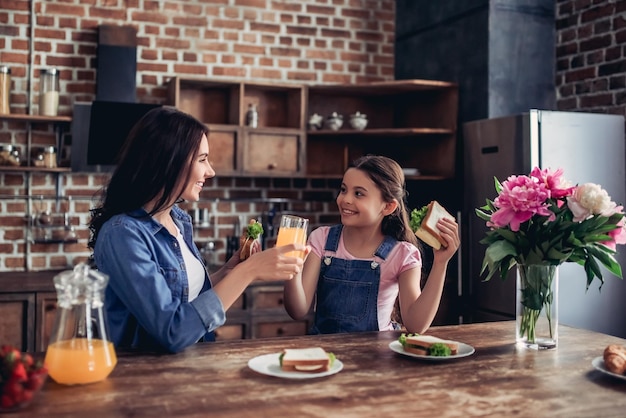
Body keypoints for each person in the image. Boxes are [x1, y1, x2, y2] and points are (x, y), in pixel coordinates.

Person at [88, 106, 306, 353]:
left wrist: (230, 270)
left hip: (190, 370)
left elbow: (186, 297)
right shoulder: (123, 234)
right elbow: (173, 330)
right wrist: (249, 272)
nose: (210, 171)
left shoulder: (177, 220)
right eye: (202, 159)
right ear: (169, 160)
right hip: (144, 379)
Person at [283, 155, 460, 334]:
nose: (345, 199)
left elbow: (416, 326)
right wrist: (291, 268)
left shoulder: (402, 254)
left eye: (358, 193)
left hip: (378, 355)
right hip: (327, 355)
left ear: (388, 207)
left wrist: (440, 263)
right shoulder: (320, 239)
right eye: (344, 190)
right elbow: (297, 310)